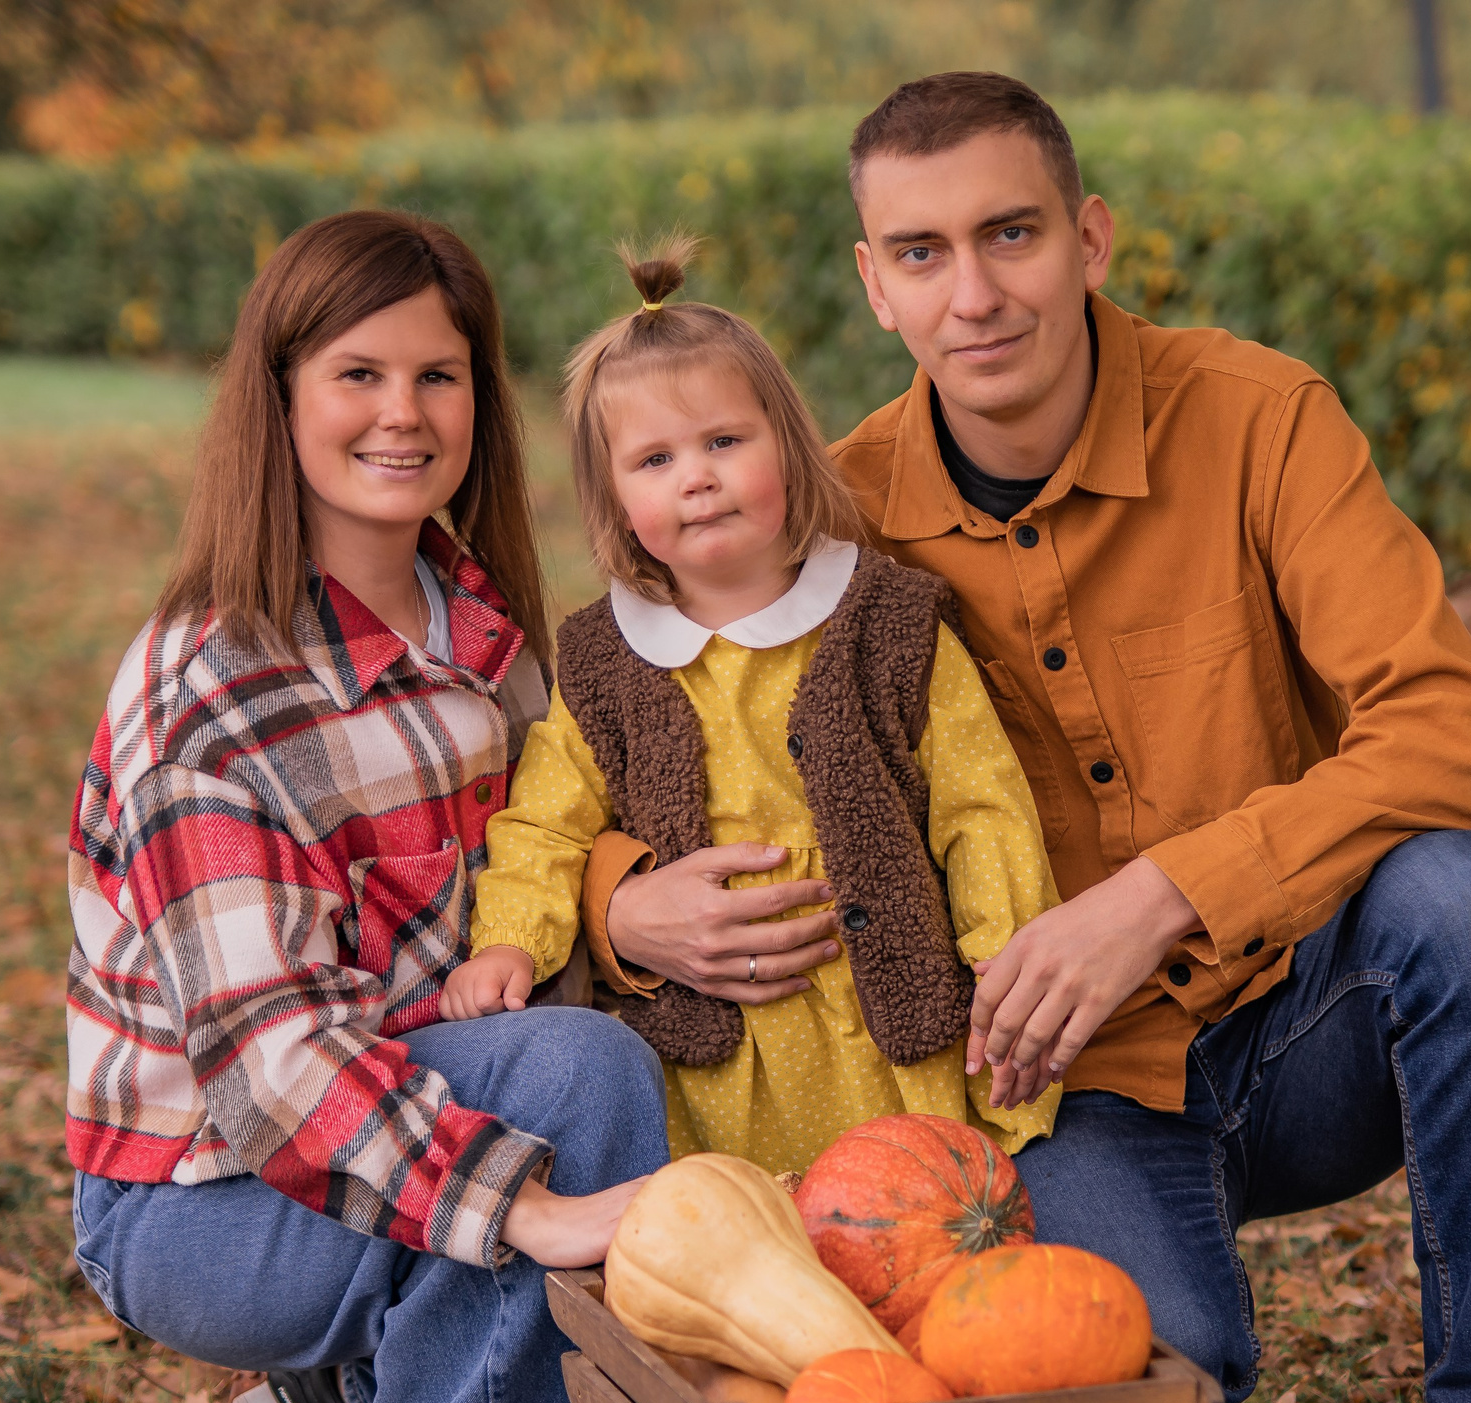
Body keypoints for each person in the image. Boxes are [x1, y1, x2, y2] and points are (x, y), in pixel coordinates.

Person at [582, 75, 1471, 1403]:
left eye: (1011, 234)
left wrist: (1167, 888)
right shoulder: (832, 524)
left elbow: (1451, 726)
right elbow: (665, 725)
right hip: (1061, 1085)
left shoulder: (1261, 420)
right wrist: (615, 904)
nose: (973, 292)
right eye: (920, 253)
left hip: (1311, 1014)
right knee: (1150, 1366)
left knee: (1470, 899)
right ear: (872, 280)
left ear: (1090, 236)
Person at [62, 209, 670, 1403]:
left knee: (614, 1051)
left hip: (379, 1120)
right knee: (578, 1081)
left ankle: (381, 1385)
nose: (404, 413)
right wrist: (526, 1204)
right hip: (204, 1201)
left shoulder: (477, 622)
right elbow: (275, 1065)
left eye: (441, 376)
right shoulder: (215, 682)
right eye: (358, 373)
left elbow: (539, 859)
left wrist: (634, 902)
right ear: (279, 398)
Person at [443, 239, 1060, 1172]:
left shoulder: (884, 620)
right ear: (613, 494)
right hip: (717, 1045)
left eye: (725, 441)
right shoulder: (609, 661)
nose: (697, 476)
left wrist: (1001, 963)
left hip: (881, 1012)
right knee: (753, 1234)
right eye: (655, 459)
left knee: (906, 1212)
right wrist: (510, 942)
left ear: (786, 442)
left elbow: (984, 809)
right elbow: (544, 824)